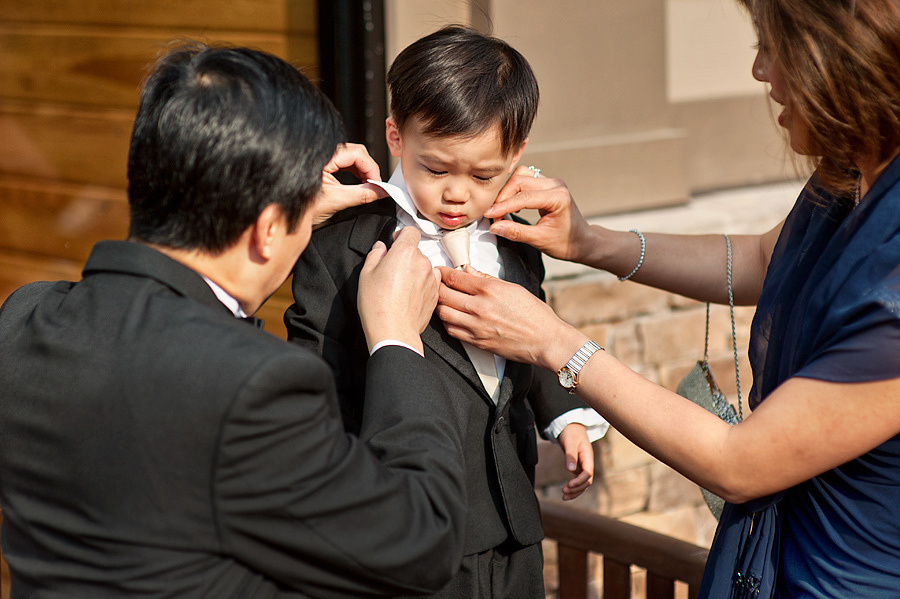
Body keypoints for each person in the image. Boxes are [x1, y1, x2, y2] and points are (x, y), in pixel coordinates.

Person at [436, 1, 900, 597]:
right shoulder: (851, 173)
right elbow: (763, 261)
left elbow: (738, 462)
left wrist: (554, 341)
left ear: (838, 55)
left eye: (772, 45)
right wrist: (588, 241)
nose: (760, 71)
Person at [0, 42, 473, 598]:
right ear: (268, 228)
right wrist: (395, 338)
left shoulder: (24, 318)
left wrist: (280, 213)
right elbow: (422, 540)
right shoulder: (252, 390)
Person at [285, 26, 608, 599]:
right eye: (436, 169)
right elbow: (316, 383)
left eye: (484, 175)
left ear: (517, 154)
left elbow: (534, 339)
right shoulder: (339, 247)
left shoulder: (518, 239)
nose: (458, 194)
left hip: (513, 522)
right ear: (395, 138)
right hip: (407, 528)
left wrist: (567, 417)